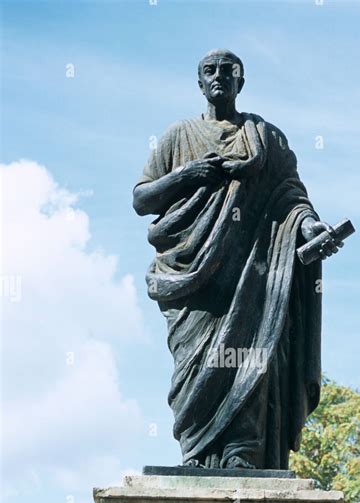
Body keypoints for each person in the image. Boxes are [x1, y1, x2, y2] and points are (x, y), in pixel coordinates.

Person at [133, 49, 341, 469]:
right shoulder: (177, 136)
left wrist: (309, 227)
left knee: (252, 354)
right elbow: (142, 199)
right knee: (195, 366)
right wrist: (186, 175)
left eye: (228, 71)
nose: (219, 77)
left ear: (240, 81)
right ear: (198, 81)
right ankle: (196, 452)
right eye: (209, 71)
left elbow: (291, 196)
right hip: (194, 278)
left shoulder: (267, 137)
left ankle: (241, 453)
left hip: (254, 272)